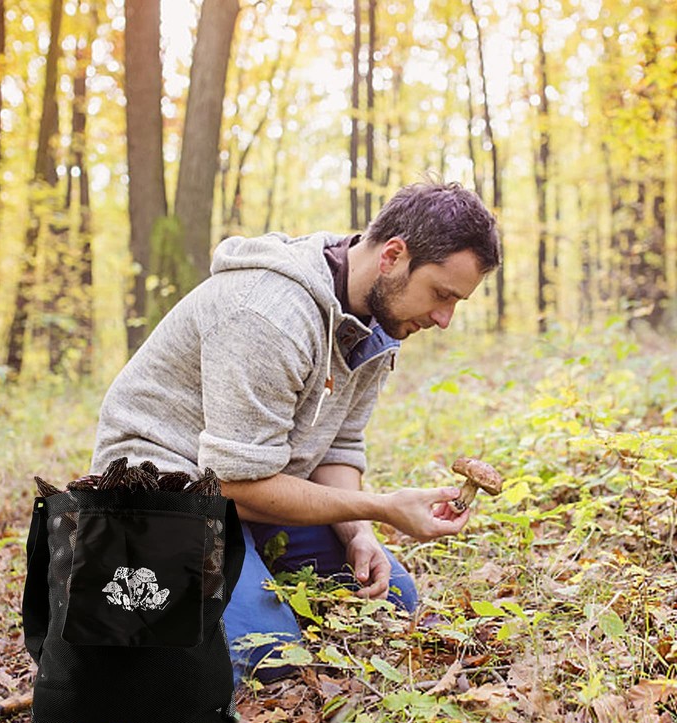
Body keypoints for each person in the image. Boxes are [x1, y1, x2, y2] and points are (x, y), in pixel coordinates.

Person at [90, 181, 501, 683]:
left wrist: (360, 533)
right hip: (162, 493)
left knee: (394, 598)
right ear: (393, 255)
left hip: (248, 497)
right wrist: (382, 506)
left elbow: (341, 445)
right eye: (440, 295)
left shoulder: (380, 320)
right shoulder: (267, 315)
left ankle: (234, 579)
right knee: (269, 658)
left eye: (455, 302)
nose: (443, 319)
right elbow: (236, 483)